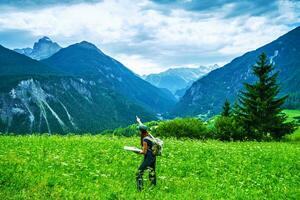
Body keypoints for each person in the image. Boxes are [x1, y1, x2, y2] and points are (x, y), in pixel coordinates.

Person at [136, 116, 157, 191]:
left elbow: (144, 152)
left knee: (139, 172)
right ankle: (153, 186)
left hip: (148, 156)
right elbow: (143, 127)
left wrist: (137, 151)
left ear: (140, 131)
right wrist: (139, 121)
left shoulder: (145, 140)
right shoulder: (149, 135)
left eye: (139, 130)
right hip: (153, 156)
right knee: (151, 170)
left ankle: (140, 189)